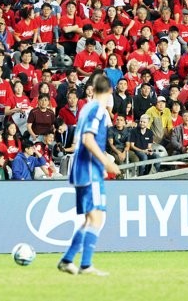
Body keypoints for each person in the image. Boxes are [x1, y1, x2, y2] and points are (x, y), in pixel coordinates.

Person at [58, 71, 120, 276]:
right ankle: (86, 264)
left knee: (90, 219)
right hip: (88, 170)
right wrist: (106, 163)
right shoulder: (98, 110)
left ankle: (68, 260)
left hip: (86, 168)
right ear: (110, 91)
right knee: (96, 218)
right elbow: (87, 139)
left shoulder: (85, 109)